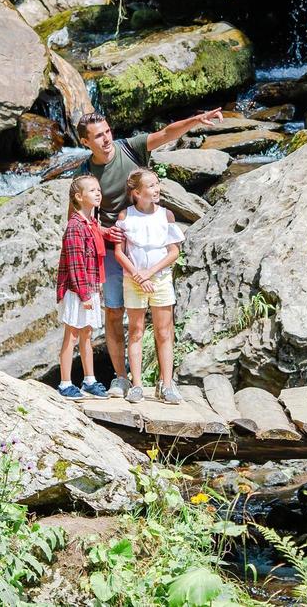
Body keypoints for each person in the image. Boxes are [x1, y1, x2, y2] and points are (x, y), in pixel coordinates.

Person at [76, 107, 222, 398]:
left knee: (160, 319)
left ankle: (165, 383)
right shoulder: (85, 173)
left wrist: (195, 120)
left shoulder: (130, 148)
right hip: (114, 249)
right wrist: (103, 233)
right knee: (115, 313)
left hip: (150, 247)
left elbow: (166, 134)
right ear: (85, 143)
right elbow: (78, 218)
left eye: (107, 132)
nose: (106, 139)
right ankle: (122, 378)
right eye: (98, 136)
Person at [115, 169, 186, 403]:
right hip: (133, 280)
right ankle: (137, 385)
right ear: (137, 192)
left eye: (157, 184)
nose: (157, 189)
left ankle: (167, 385)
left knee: (164, 331)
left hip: (160, 279)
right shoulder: (126, 216)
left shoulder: (166, 215)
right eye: (151, 186)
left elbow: (174, 251)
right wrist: (138, 276)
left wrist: (149, 274)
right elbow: (119, 252)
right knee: (135, 331)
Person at [55, 175, 110, 399]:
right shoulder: (75, 226)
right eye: (92, 190)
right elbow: (75, 263)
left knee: (87, 333)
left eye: (98, 189)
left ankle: (89, 380)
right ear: (79, 197)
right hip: (77, 290)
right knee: (72, 333)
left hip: (90, 287)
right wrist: (84, 294)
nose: (98, 193)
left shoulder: (92, 223)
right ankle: (65, 383)